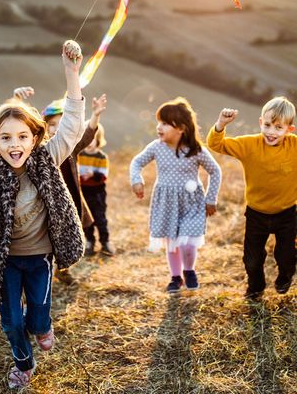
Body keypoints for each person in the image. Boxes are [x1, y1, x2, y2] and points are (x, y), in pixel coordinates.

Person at [0, 40, 85, 389]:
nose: (15, 144)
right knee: (12, 321)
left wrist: (71, 74)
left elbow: (72, 124)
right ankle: (23, 364)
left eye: (23, 137)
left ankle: (42, 327)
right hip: (7, 261)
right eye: (7, 138)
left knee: (39, 316)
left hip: (40, 258)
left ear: (34, 138)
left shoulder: (46, 160)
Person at [14, 86, 107, 283]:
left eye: (61, 123)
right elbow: (19, 128)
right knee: (47, 238)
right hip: (45, 204)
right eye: (52, 124)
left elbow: (88, 135)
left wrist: (95, 116)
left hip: (68, 200)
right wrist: (18, 102)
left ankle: (63, 269)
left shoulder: (70, 148)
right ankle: (45, 270)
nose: (56, 128)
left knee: (66, 236)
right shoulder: (40, 152)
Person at [207, 96, 297, 300]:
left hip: (287, 214)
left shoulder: (294, 147)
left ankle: (285, 276)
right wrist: (221, 124)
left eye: (278, 127)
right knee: (252, 260)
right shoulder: (250, 145)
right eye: (267, 125)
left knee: (286, 256)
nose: (271, 132)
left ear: (289, 129)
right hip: (256, 214)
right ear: (260, 123)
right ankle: (256, 287)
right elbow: (216, 144)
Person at [130, 97, 221, 294]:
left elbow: (215, 171)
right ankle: (175, 277)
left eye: (164, 123)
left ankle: (189, 271)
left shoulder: (195, 150)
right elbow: (136, 162)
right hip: (166, 202)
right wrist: (136, 180)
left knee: (187, 243)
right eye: (158, 122)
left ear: (180, 128)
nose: (159, 127)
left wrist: (210, 198)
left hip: (192, 203)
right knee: (172, 243)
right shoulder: (156, 147)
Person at [78, 123, 113, 256]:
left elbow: (103, 175)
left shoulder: (101, 156)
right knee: (87, 219)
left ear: (98, 139)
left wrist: (93, 175)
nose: (90, 142)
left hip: (97, 192)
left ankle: (105, 242)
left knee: (100, 218)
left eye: (93, 139)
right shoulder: (79, 155)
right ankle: (89, 242)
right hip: (84, 191)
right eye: (87, 138)